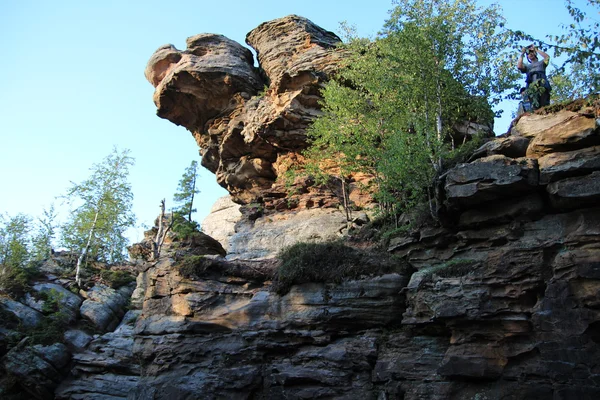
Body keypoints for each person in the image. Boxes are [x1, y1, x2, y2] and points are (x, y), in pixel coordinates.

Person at [517, 44, 551, 109]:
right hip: (531, 88)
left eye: (532, 52)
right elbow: (519, 66)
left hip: (542, 86)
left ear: (535, 53)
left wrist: (536, 49)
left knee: (544, 104)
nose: (530, 54)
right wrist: (522, 54)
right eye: (528, 53)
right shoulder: (527, 67)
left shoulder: (541, 63)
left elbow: (547, 57)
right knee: (534, 106)